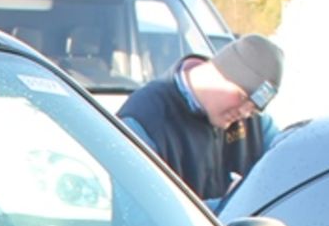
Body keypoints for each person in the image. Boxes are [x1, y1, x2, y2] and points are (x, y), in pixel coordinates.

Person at [118, 33, 284, 210]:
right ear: (219, 72)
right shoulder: (144, 120)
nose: (244, 113)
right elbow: (146, 213)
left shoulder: (257, 125)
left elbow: (285, 163)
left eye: (254, 108)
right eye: (242, 97)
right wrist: (235, 202)